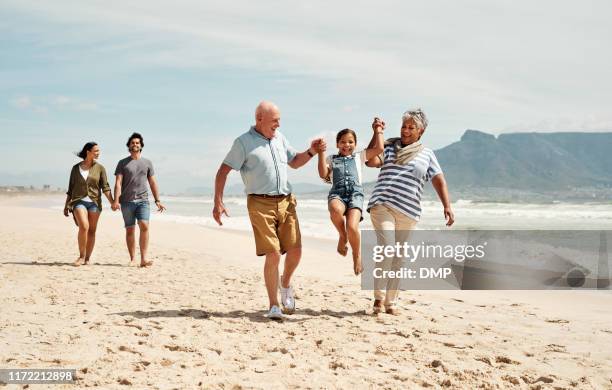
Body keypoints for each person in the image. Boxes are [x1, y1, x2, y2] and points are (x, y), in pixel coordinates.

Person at [213, 101, 325, 320]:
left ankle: (285, 284)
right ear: (259, 119)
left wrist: (311, 151)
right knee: (273, 253)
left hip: (286, 201)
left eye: (279, 119)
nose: (278, 124)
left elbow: (295, 162)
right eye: (275, 120)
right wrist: (218, 201)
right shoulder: (243, 143)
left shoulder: (280, 138)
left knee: (296, 250)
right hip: (259, 204)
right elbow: (223, 171)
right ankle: (274, 304)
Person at [365, 109, 454, 315]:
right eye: (404, 126)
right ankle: (378, 299)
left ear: (420, 131)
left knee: (399, 257)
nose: (405, 130)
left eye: (411, 127)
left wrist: (447, 205)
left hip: (409, 210)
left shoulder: (427, 154)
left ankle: (391, 302)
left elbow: (438, 179)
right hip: (383, 204)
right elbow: (370, 161)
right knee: (387, 249)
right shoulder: (388, 147)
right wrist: (376, 133)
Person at [317, 124, 384, 275]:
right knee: (335, 210)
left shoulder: (359, 156)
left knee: (353, 227)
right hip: (338, 194)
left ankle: (356, 254)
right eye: (342, 142)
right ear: (337, 144)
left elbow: (379, 149)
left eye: (350, 142)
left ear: (355, 143)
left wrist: (378, 130)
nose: (346, 145)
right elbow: (323, 174)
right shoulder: (331, 159)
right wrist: (321, 153)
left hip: (355, 194)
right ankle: (342, 235)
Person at [111, 132, 166, 267]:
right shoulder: (122, 163)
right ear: (129, 146)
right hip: (126, 202)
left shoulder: (147, 163)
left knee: (144, 226)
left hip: (143, 200)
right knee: (130, 229)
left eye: (137, 143)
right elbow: (118, 182)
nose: (135, 144)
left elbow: (152, 182)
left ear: (141, 146)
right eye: (132, 143)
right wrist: (116, 200)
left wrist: (157, 200)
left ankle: (144, 259)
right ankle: (132, 258)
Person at [64, 142, 114, 266]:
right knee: (84, 226)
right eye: (96, 151)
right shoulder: (75, 168)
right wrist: (66, 205)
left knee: (92, 231)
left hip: (94, 203)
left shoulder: (100, 168)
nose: (98, 153)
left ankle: (87, 258)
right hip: (78, 201)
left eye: (98, 151)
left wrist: (113, 202)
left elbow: (105, 187)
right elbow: (71, 188)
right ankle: (81, 256)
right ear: (88, 152)